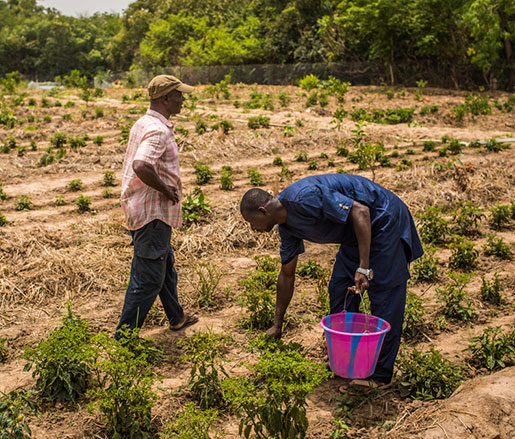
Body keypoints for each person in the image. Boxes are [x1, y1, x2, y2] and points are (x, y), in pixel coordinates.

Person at [239, 174, 423, 386]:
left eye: (252, 222)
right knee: (340, 289)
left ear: (263, 212)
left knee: (385, 297)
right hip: (355, 235)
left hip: (382, 222)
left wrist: (364, 267)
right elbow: (286, 275)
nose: (254, 229)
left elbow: (361, 211)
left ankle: (379, 375)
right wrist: (277, 323)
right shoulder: (286, 227)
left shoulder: (304, 197)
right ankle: (346, 360)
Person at [116, 75, 199, 337]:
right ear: (165, 98)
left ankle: (177, 316)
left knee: (164, 266)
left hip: (145, 209)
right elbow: (141, 165)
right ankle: (124, 336)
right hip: (152, 214)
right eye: (179, 95)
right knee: (148, 277)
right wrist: (167, 189)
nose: (182, 100)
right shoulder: (158, 130)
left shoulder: (144, 122)